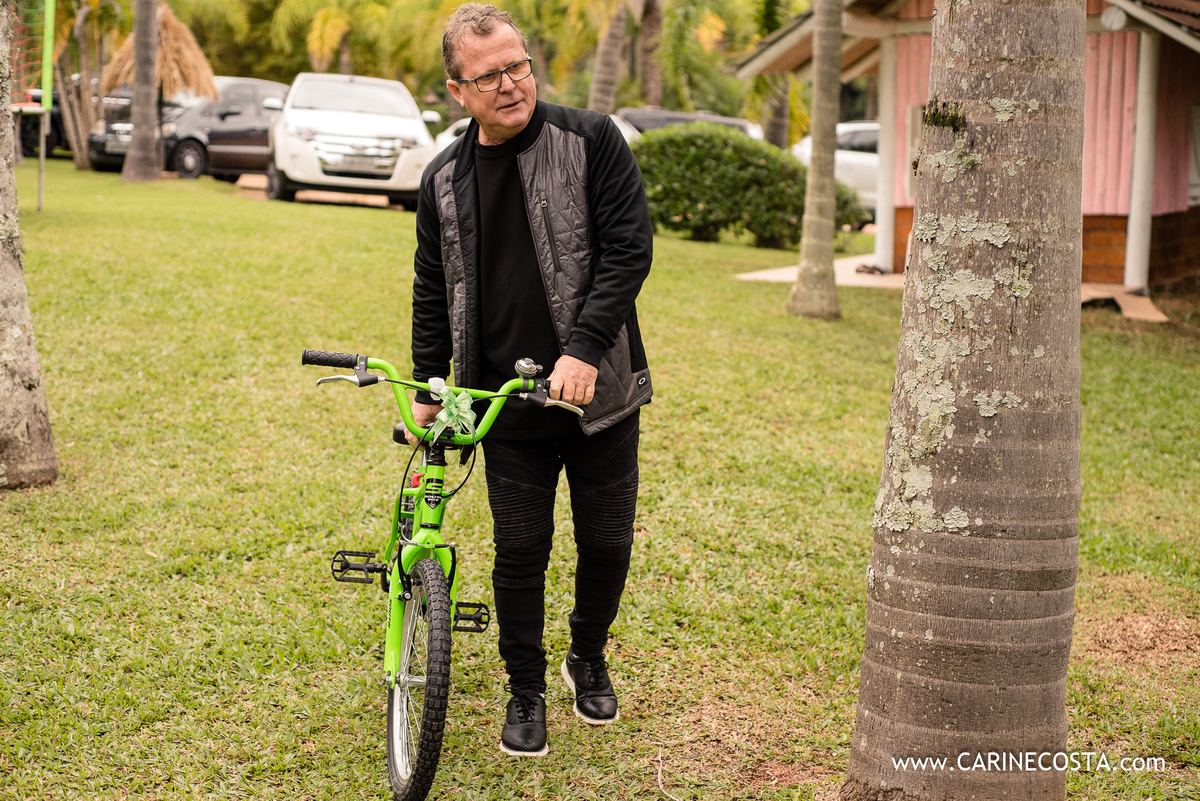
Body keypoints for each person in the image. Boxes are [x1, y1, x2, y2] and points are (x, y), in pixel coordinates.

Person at [408, 3, 654, 758]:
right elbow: (430, 281)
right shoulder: (443, 177)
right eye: (490, 76)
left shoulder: (592, 139)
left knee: (607, 543)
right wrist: (427, 380)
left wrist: (581, 349)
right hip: (500, 399)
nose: (512, 84)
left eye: (518, 65)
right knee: (520, 549)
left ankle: (588, 655)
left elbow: (628, 251)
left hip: (597, 393)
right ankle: (526, 687)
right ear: (458, 90)